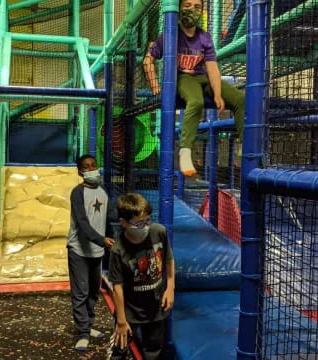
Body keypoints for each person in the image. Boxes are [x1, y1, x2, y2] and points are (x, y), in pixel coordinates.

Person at [143, 0, 245, 176]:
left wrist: (218, 94)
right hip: (182, 77)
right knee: (196, 101)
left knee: (240, 99)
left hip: (202, 77)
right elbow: (148, 60)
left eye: (197, 7)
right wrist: (155, 87)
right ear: (180, 8)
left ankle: (245, 147)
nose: (192, 10)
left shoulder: (204, 37)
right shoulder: (169, 35)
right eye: (187, 5)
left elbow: (212, 67)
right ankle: (185, 152)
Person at [108, 193, 175, 360]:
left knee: (153, 351)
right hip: (130, 311)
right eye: (139, 223)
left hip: (156, 307)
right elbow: (117, 288)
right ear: (123, 223)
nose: (145, 226)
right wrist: (122, 321)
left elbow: (169, 260)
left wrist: (170, 288)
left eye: (147, 221)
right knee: (119, 349)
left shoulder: (159, 232)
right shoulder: (118, 250)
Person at [67, 154, 116, 351]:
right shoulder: (77, 193)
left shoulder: (103, 191)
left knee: (93, 292)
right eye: (86, 167)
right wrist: (101, 240)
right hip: (78, 250)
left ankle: (89, 324)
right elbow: (82, 223)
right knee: (81, 292)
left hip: (97, 251)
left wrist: (112, 239)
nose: (91, 169)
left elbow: (107, 218)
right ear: (80, 172)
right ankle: (83, 333)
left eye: (93, 165)